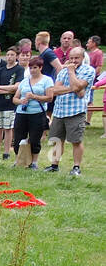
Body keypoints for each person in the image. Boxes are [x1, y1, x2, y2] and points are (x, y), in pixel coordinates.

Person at [45, 45, 93, 175]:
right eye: (71, 58)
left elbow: (79, 88)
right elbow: (55, 90)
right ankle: (54, 165)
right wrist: (73, 88)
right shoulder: (62, 71)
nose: (73, 61)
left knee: (76, 140)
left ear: (83, 58)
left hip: (76, 111)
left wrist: (72, 72)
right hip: (60, 110)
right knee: (56, 139)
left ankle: (76, 167)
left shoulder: (88, 70)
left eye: (76, 58)